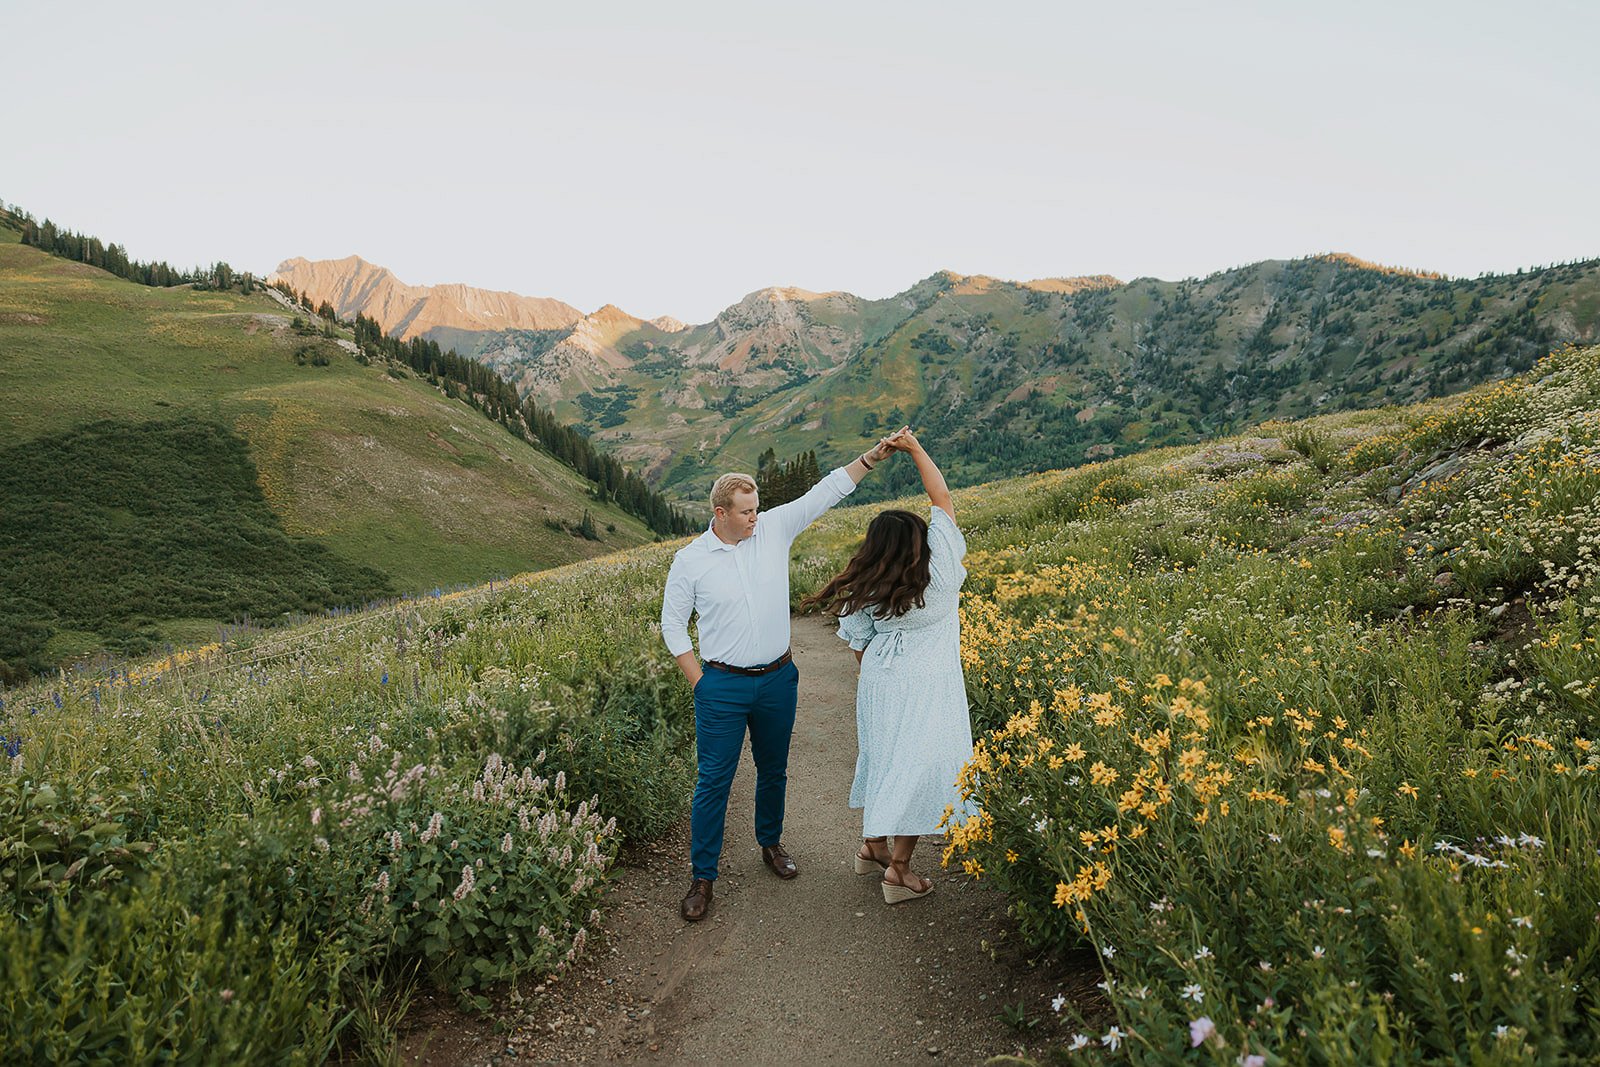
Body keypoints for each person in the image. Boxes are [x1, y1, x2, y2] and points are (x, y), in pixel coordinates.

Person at [661, 431, 904, 922]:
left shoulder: (773, 529)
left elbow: (824, 493)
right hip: (721, 686)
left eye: (756, 508)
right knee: (714, 781)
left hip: (777, 678)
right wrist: (699, 681)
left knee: (774, 769)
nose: (756, 516)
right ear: (721, 514)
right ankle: (702, 877)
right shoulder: (689, 561)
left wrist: (870, 459)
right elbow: (672, 624)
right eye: (746, 511)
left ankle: (770, 845)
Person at [801, 430, 972, 904]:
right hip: (929, 681)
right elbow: (941, 498)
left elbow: (859, 646)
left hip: (881, 678)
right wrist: (917, 448)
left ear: (876, 549)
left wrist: (879, 669)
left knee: (884, 760)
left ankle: (872, 845)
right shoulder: (942, 570)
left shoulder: (870, 583)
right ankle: (898, 871)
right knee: (916, 771)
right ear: (921, 541)